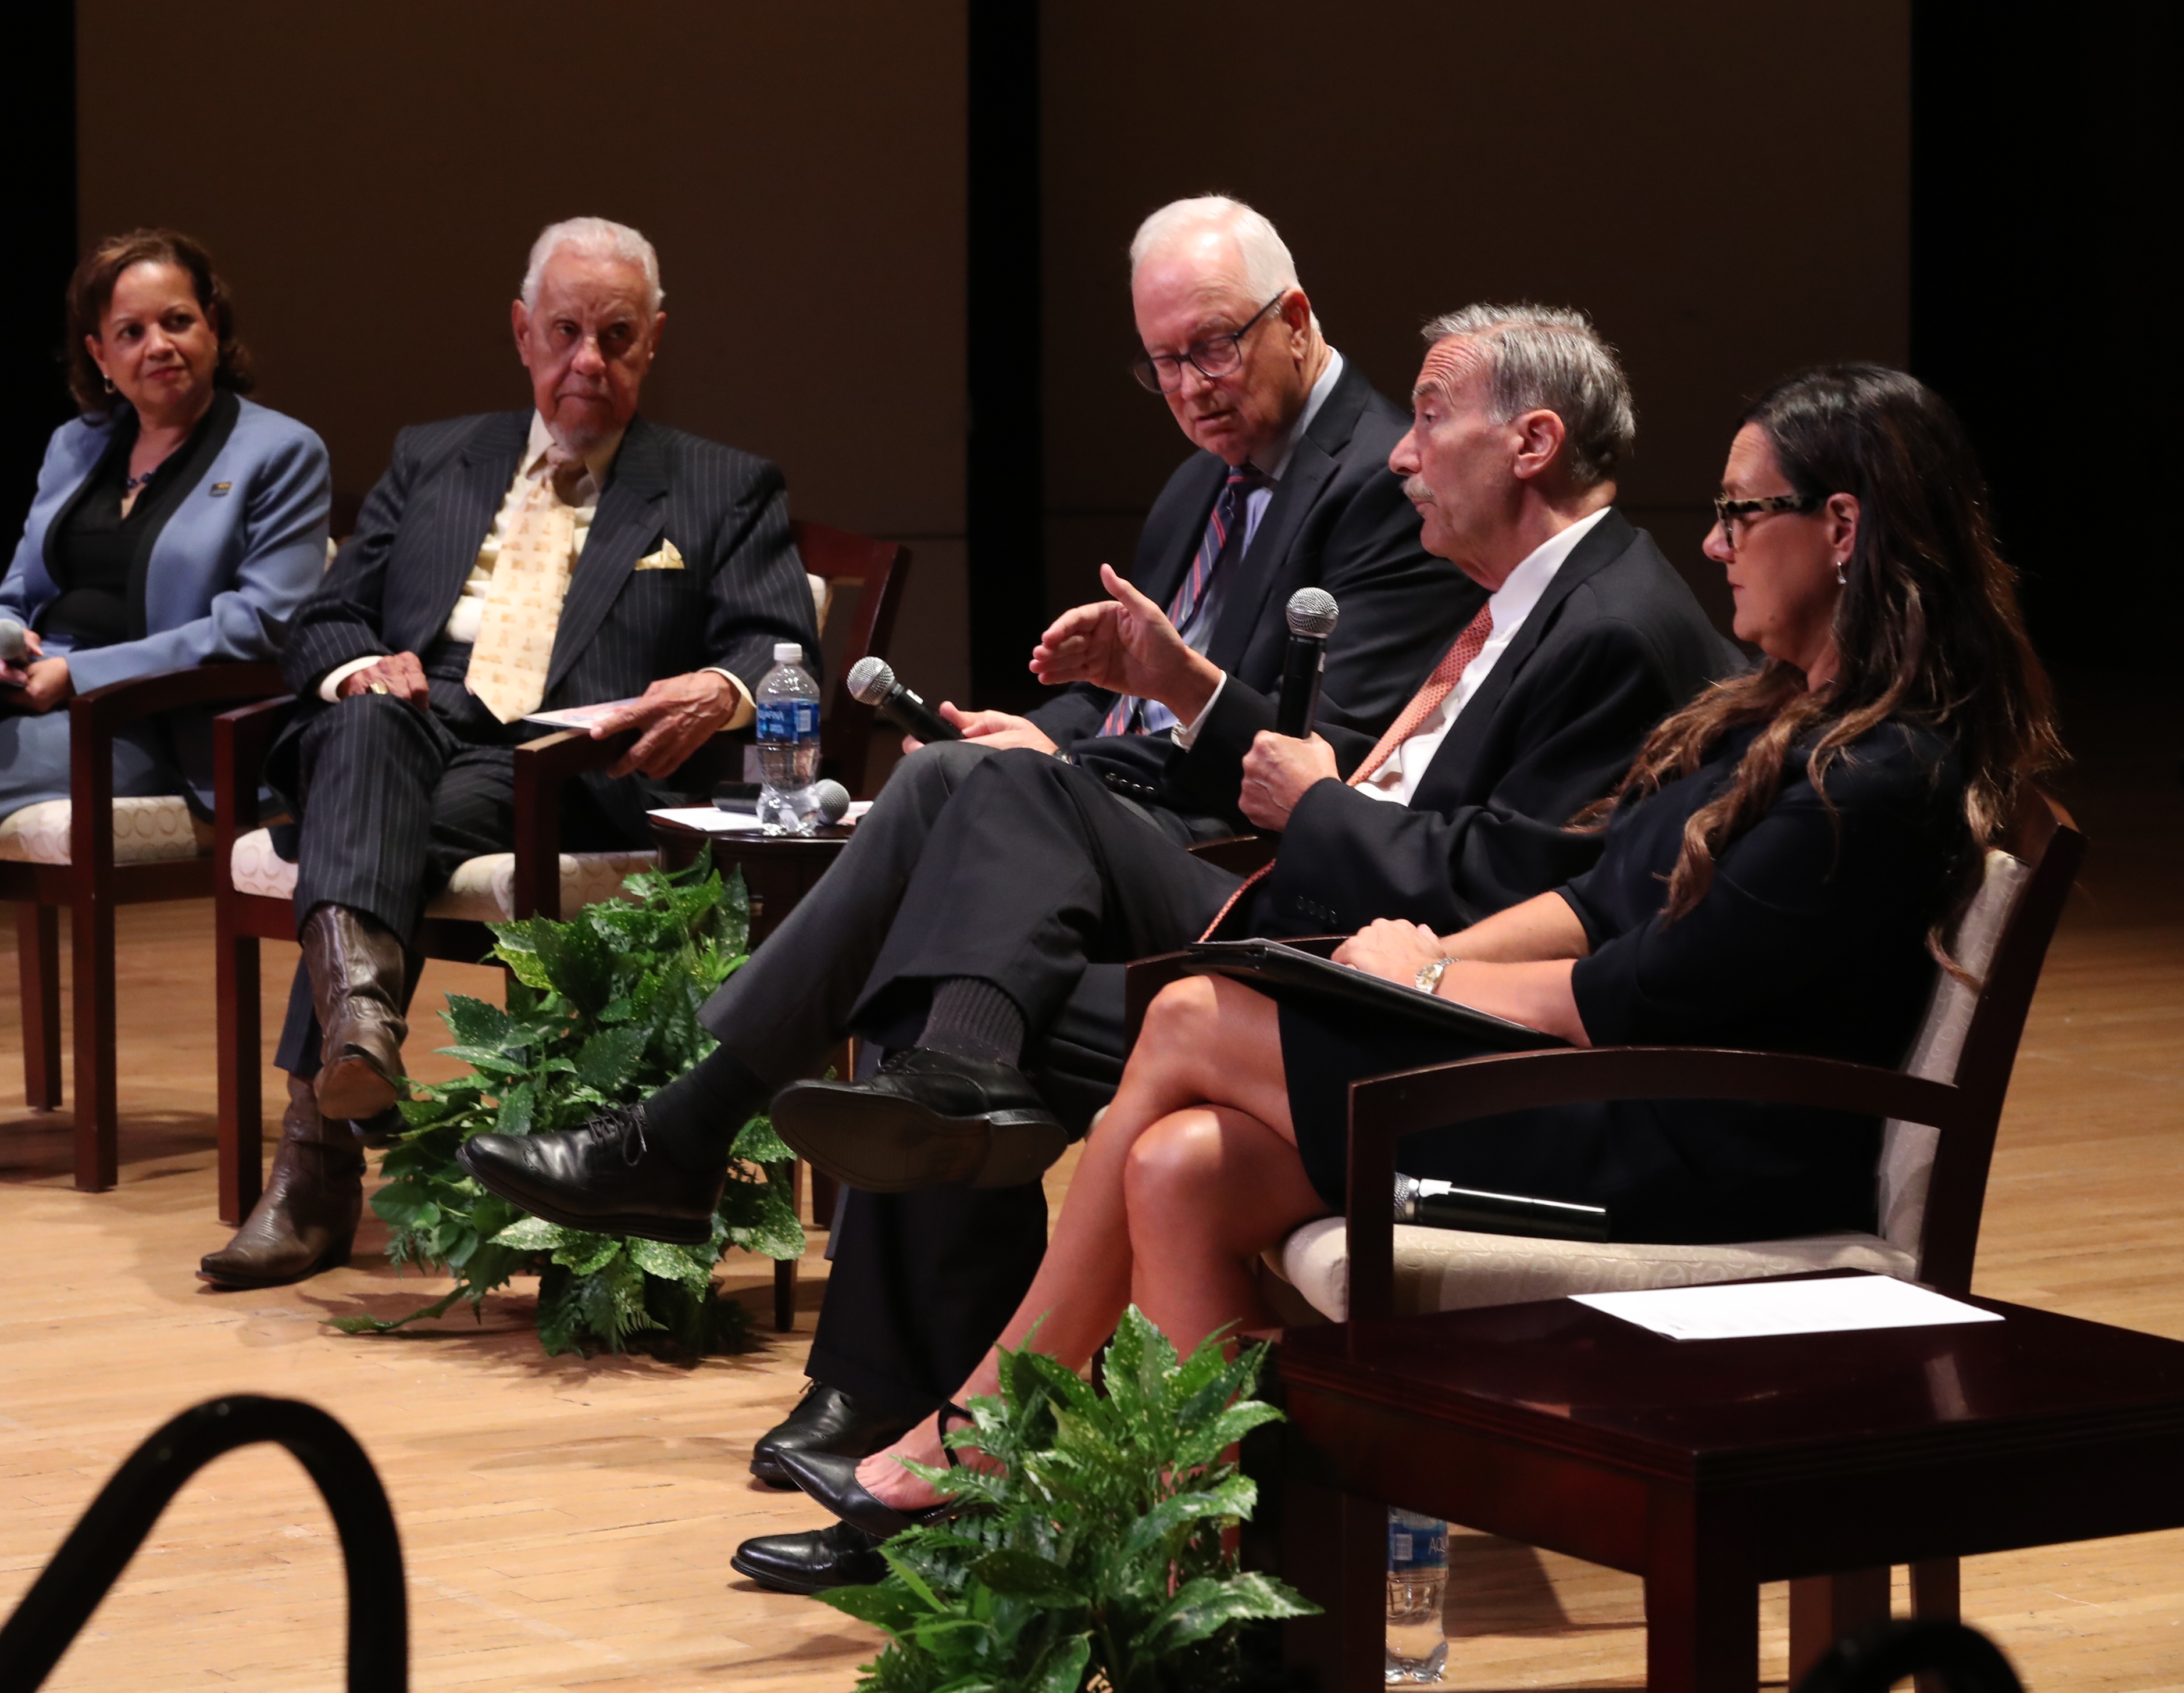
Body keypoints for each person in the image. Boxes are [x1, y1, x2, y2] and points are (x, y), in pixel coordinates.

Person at [466, 297, 1737, 1590]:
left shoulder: (1611, 622)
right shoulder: (1523, 598)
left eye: (1428, 420)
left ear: (1529, 443)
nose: (1404, 454)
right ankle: (908, 1420)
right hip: (1297, 927)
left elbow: (1519, 891)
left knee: (988, 834)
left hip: (1377, 984)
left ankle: (730, 1179)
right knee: (962, 941)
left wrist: (1313, 800)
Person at [773, 363, 2062, 1542]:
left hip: (1704, 1150)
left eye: (1742, 514)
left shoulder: (1879, 772)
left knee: (1185, 1019)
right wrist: (1408, 958)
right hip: (1619, 1091)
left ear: (1841, 530)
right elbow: (1598, 896)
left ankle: (984, 1431)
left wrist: (1426, 979)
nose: (1716, 544)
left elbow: (1637, 989)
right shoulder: (1778, 717)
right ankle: (1211, 1576)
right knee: (1183, 1166)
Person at [459, 194, 1475, 1495]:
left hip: (1249, 889)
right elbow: (1121, 715)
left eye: (1213, 348)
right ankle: (890, 1393)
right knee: (948, 935)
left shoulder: (1389, 485)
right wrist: (1042, 730)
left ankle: (687, 1139)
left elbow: (1319, 772)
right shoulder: (1194, 489)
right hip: (1121, 846)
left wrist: (1117, 732)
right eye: (1162, 360)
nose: (1190, 387)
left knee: (964, 848)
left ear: (1297, 319)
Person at [197, 217, 821, 1288]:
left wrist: (717, 688)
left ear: (656, 341)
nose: (590, 360)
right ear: (522, 332)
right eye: (567, 331)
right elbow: (325, 619)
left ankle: (315, 1162)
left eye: (617, 336)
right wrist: (362, 672)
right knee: (365, 725)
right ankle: (358, 1034)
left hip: (567, 770)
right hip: (412, 731)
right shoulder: (437, 456)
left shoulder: (723, 485)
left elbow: (780, 650)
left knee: (365, 826)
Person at [0, 229, 329, 1190]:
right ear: (99, 354)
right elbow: (17, 584)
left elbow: (262, 625)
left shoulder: (279, 451)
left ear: (214, 323)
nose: (158, 345)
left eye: (178, 320)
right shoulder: (79, 445)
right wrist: (7, 639)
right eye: (129, 331)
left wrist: (82, 678)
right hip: (40, 699)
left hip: (150, 726)